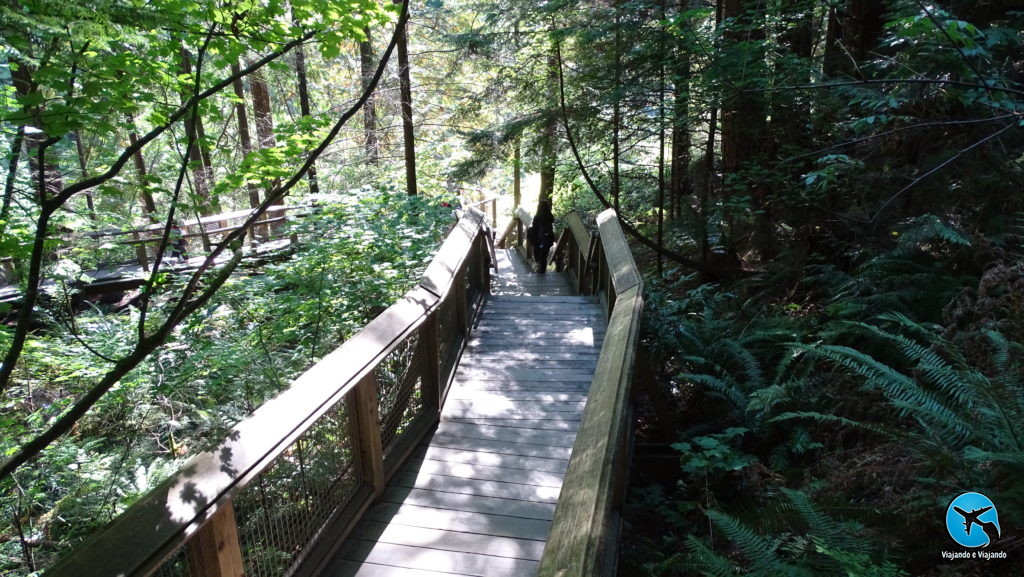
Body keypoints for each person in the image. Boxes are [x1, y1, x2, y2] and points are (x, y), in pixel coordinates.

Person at [532, 200, 554, 273]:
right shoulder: (550, 217)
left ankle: (539, 268)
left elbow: (534, 227)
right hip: (548, 239)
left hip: (538, 239)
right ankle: (542, 270)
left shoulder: (537, 217)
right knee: (544, 255)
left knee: (537, 253)